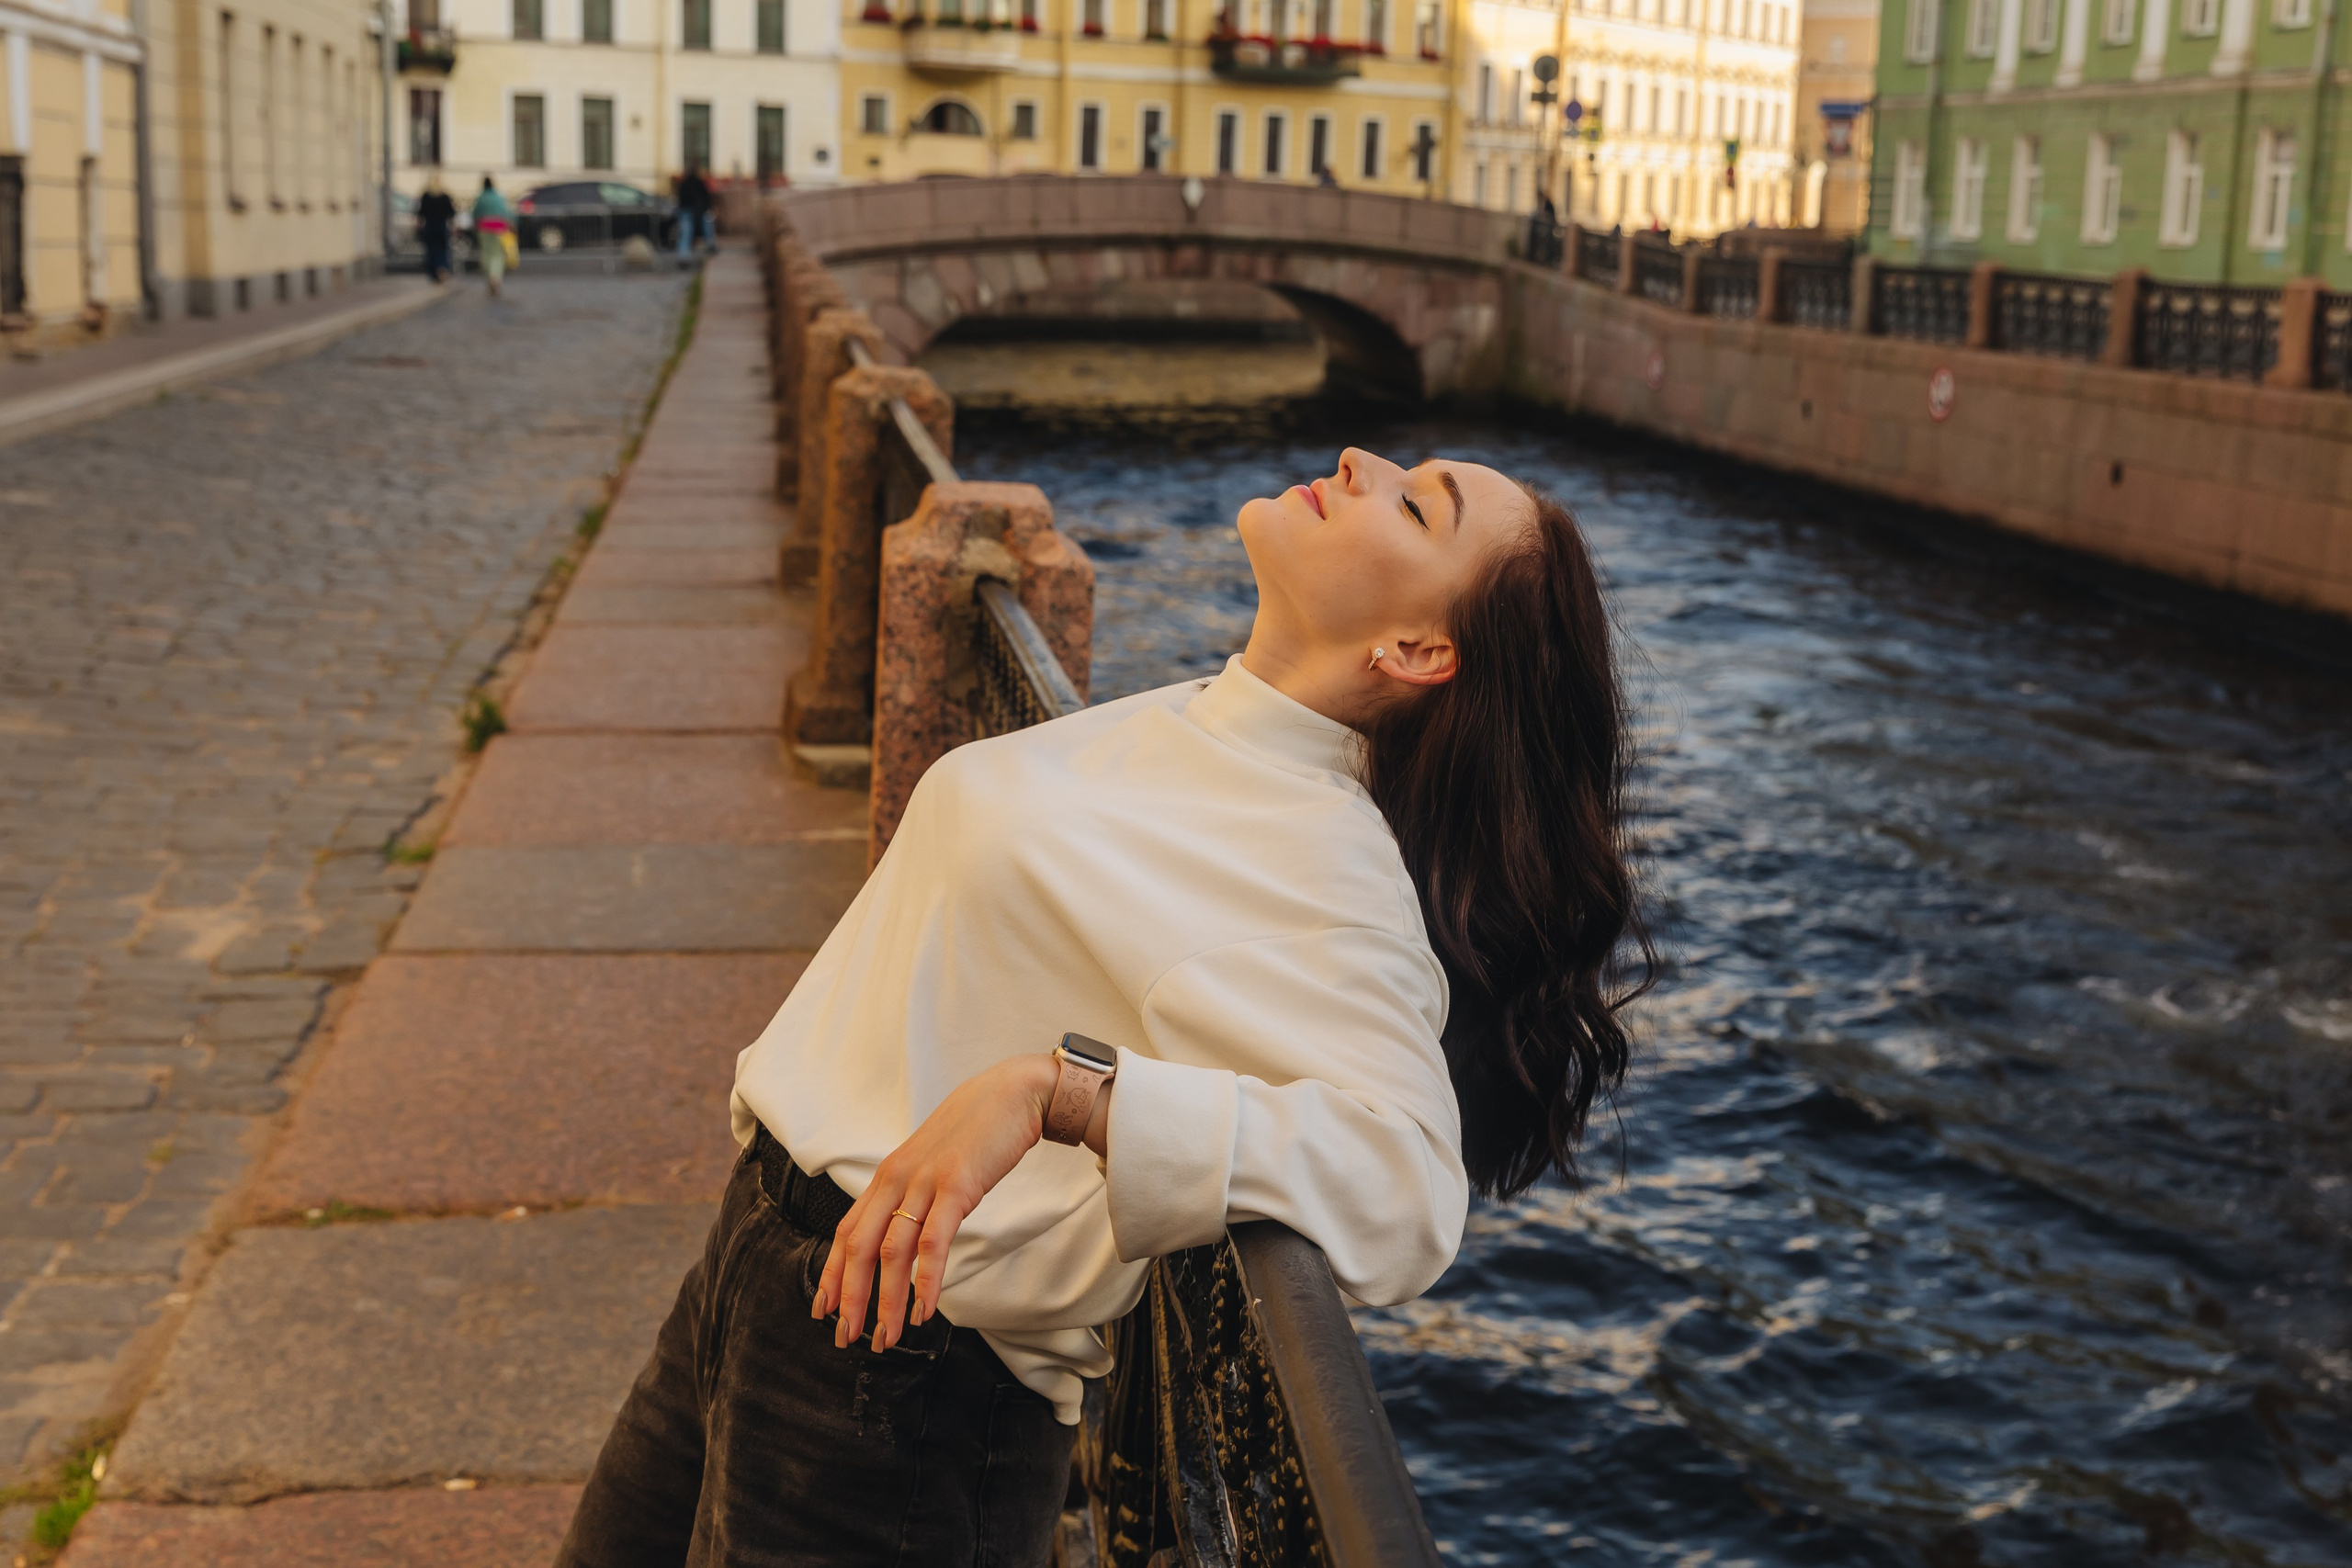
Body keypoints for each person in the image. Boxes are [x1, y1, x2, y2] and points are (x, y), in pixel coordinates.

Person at [554, 447, 1652, 1566]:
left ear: (1416, 649)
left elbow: (1406, 1187)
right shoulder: (1198, 721)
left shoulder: (1319, 862)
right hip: (763, 1268)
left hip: (901, 1389)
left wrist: (1059, 1093)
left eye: (1417, 506)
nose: (1360, 461)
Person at [471, 175, 513, 299]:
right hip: (499, 227)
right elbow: (507, 212)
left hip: (484, 227)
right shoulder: (499, 197)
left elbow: (475, 213)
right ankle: (496, 277)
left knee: (486, 254)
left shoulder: (481, 198)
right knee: (498, 255)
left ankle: (490, 277)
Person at [416, 175, 456, 284]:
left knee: (430, 250)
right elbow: (451, 213)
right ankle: (442, 267)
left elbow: (421, 213)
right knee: (442, 248)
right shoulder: (444, 196)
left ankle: (433, 272)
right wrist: (452, 226)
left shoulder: (426, 195)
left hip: (429, 226)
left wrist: (418, 225)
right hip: (441, 225)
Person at [673, 164, 713, 258]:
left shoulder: (684, 183)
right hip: (694, 211)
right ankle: (711, 245)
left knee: (685, 232)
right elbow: (706, 198)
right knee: (706, 224)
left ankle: (683, 255)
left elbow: (681, 200)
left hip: (687, 211)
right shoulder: (699, 183)